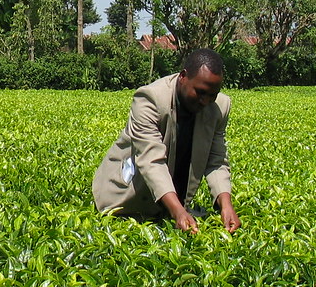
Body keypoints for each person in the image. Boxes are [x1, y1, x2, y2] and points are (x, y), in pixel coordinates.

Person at [92, 48, 241, 234]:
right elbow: (151, 160)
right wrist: (178, 211)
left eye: (213, 95)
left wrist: (225, 204)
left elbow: (216, 159)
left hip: (173, 202)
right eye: (200, 92)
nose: (206, 101)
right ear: (183, 76)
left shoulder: (219, 107)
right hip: (127, 199)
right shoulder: (150, 99)